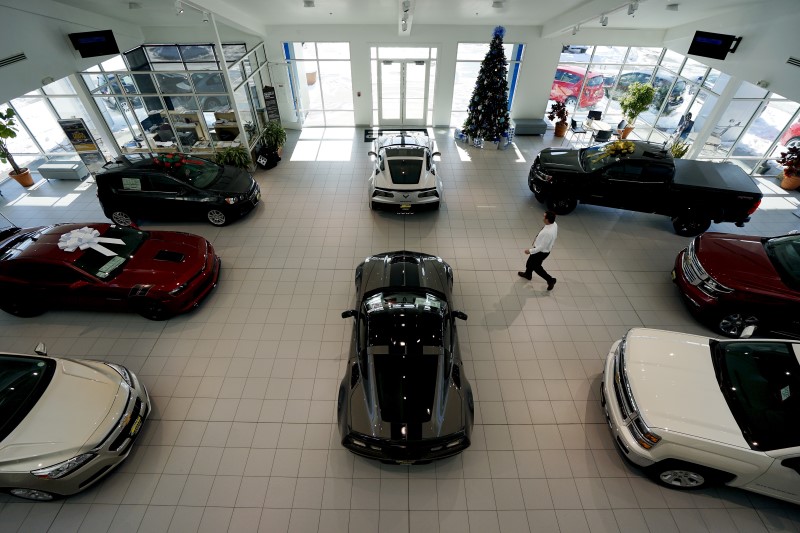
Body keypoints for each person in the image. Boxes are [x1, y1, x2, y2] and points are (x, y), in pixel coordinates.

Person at [518, 210, 558, 290]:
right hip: (540, 250)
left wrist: (530, 251)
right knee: (530, 262)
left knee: (537, 267)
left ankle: (550, 280)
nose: (543, 218)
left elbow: (542, 247)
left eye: (544, 216)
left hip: (541, 252)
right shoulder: (554, 224)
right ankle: (528, 274)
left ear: (547, 220)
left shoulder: (548, 233)